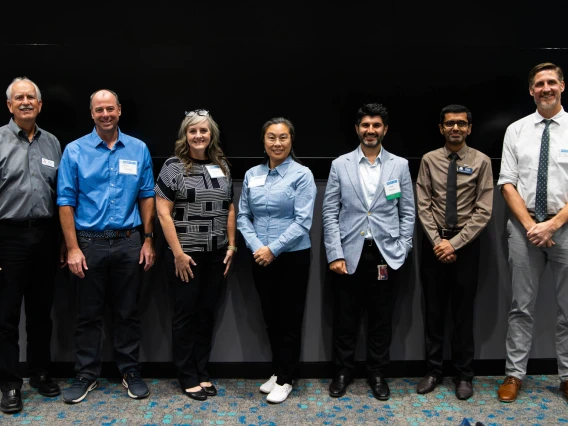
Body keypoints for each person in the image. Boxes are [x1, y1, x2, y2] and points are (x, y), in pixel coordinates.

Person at [57, 89, 155, 404]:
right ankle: (86, 375)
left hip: (129, 242)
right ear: (91, 113)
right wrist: (72, 248)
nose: (105, 115)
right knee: (87, 315)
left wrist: (148, 238)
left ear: (119, 110)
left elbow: (146, 195)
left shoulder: (138, 149)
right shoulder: (74, 150)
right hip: (89, 244)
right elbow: (65, 201)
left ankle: (130, 371)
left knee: (128, 313)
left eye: (110, 108)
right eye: (99, 110)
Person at [322, 103, 415, 401]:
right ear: (357, 129)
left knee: (381, 319)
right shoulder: (341, 164)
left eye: (376, 125)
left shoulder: (399, 165)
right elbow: (329, 213)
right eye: (365, 125)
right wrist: (334, 253)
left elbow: (408, 212)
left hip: (385, 255)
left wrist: (402, 248)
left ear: (385, 129)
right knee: (345, 319)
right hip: (349, 254)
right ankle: (342, 372)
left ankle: (377, 372)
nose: (371, 130)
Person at [497, 62, 568, 403]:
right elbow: (507, 183)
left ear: (562, 86)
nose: (545, 88)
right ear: (531, 90)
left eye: (551, 82)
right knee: (520, 307)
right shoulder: (516, 130)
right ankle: (514, 375)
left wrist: (553, 224)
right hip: (523, 229)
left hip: (565, 226)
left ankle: (567, 376)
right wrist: (531, 226)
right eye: (539, 84)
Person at [155, 109, 236, 401]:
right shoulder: (173, 167)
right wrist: (177, 253)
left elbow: (229, 207)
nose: (199, 135)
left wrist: (231, 246)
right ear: (185, 135)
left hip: (216, 255)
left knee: (206, 316)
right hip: (185, 256)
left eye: (203, 130)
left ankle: (202, 372)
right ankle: (187, 375)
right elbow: (163, 214)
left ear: (211, 133)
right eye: (193, 131)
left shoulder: (222, 166)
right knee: (185, 316)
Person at [415, 104, 493, 400]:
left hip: (466, 246)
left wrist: (455, 243)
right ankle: (434, 370)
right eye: (450, 123)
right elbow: (423, 203)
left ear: (469, 128)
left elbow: (484, 209)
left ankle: (464, 374)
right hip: (434, 246)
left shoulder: (482, 161)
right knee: (433, 310)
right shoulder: (429, 160)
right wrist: (438, 242)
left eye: (461, 123)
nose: (455, 128)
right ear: (441, 128)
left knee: (463, 313)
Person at [237, 117, 317, 404]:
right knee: (270, 318)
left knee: (289, 320)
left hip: (292, 256)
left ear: (291, 140)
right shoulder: (251, 174)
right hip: (260, 257)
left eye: (283, 137)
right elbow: (244, 216)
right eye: (271, 137)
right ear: (264, 142)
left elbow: (303, 221)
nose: (277, 143)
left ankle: (287, 378)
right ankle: (277, 370)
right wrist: (259, 247)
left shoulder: (302, 175)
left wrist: (274, 249)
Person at [0, 77, 62, 414]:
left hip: (45, 235)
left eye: (31, 98)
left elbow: (62, 196)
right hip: (7, 237)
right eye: (18, 98)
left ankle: (40, 373)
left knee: (41, 312)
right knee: (6, 316)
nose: (25, 102)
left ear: (39, 105)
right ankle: (9, 384)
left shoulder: (53, 143)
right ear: (10, 105)